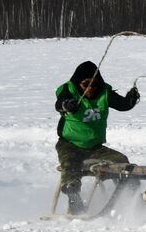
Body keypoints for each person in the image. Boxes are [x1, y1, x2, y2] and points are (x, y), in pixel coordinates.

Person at [55, 60, 140, 215]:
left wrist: (130, 100)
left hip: (95, 148)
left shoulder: (104, 93)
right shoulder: (69, 90)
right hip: (69, 145)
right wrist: (67, 105)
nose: (90, 88)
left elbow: (122, 105)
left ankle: (131, 197)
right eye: (86, 84)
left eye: (94, 84)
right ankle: (74, 198)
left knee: (122, 161)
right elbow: (60, 102)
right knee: (70, 165)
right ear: (78, 83)